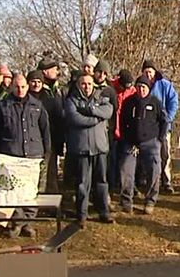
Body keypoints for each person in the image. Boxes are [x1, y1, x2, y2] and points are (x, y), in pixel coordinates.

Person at [0, 74, 51, 238]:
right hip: (11, 156)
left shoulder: (37, 105)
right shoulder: (2, 106)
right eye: (17, 87)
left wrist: (47, 151)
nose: (20, 90)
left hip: (33, 155)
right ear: (12, 87)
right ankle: (16, 223)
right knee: (14, 192)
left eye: (23, 87)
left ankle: (28, 223)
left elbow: (45, 131)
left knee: (32, 191)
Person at [64, 73, 114, 228]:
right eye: (83, 84)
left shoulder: (101, 98)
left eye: (89, 84)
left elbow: (108, 111)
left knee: (102, 182)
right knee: (82, 184)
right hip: (82, 149)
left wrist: (90, 110)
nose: (87, 87)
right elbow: (75, 119)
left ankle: (103, 212)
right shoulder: (71, 100)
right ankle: (82, 215)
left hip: (99, 148)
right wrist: (96, 118)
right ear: (79, 85)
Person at [119, 75, 167, 215]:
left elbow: (164, 121)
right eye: (139, 87)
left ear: (148, 88)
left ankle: (150, 200)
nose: (141, 89)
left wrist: (159, 138)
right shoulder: (129, 102)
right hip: (130, 142)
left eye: (144, 87)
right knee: (126, 171)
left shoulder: (155, 102)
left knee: (154, 170)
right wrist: (125, 137)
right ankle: (127, 200)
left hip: (151, 142)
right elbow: (122, 121)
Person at [141, 59, 179, 194]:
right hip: (147, 128)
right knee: (148, 155)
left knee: (165, 154)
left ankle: (166, 180)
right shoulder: (141, 85)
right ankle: (148, 179)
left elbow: (174, 102)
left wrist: (168, 118)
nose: (148, 75)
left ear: (155, 72)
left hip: (163, 126)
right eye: (146, 72)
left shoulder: (165, 85)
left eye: (150, 72)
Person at [27, 69, 65, 193]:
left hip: (49, 142)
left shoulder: (51, 100)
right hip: (29, 144)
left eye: (39, 81)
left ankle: (52, 208)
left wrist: (58, 144)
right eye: (33, 81)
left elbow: (59, 123)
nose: (36, 84)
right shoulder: (24, 99)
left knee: (50, 176)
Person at [93, 59, 119, 192]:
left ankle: (105, 192)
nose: (101, 76)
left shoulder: (110, 91)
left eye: (104, 73)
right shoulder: (88, 86)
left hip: (105, 130)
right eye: (99, 72)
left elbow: (114, 111)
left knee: (105, 164)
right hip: (90, 132)